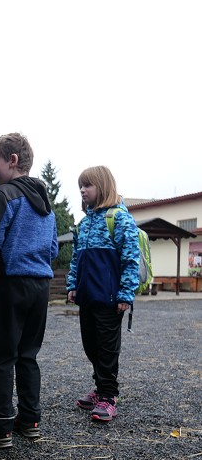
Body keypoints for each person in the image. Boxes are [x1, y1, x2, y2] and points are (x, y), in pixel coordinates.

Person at [0, 132, 58, 449]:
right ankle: (30, 422)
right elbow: (53, 249)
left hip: (12, 283)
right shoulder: (46, 203)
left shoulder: (4, 195)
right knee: (28, 355)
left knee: (1, 356)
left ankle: (2, 427)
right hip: (41, 286)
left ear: (12, 161)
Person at [67, 166, 140, 422]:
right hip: (87, 297)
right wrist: (72, 285)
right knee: (91, 346)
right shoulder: (85, 223)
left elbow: (131, 259)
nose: (82, 190)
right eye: (80, 186)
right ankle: (99, 389)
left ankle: (109, 397)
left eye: (87, 185)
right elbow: (76, 259)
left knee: (107, 349)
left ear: (103, 187)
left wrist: (125, 294)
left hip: (110, 299)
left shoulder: (119, 219)